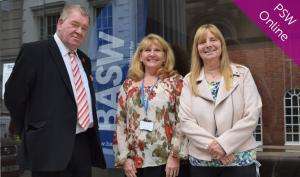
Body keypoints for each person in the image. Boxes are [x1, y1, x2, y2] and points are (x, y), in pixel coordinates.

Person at [4, 4, 106, 177]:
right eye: (74, 24)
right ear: (60, 23)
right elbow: (14, 97)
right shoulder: (34, 52)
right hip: (48, 147)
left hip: (82, 144)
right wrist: (33, 130)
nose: (79, 31)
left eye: (84, 28)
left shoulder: (84, 59)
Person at [178, 24, 262, 177]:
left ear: (221, 44)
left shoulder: (242, 74)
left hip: (238, 159)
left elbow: (252, 115)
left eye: (213, 40)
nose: (208, 45)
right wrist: (214, 146)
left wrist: (224, 145)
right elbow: (185, 121)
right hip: (202, 162)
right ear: (197, 48)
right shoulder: (189, 80)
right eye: (202, 42)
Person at [113, 34, 188, 177]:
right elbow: (120, 123)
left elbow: (183, 120)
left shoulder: (176, 82)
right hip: (135, 163)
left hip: (166, 162)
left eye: (157, 50)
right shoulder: (128, 85)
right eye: (147, 50)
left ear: (165, 57)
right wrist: (125, 158)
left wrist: (175, 155)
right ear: (140, 56)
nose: (152, 54)